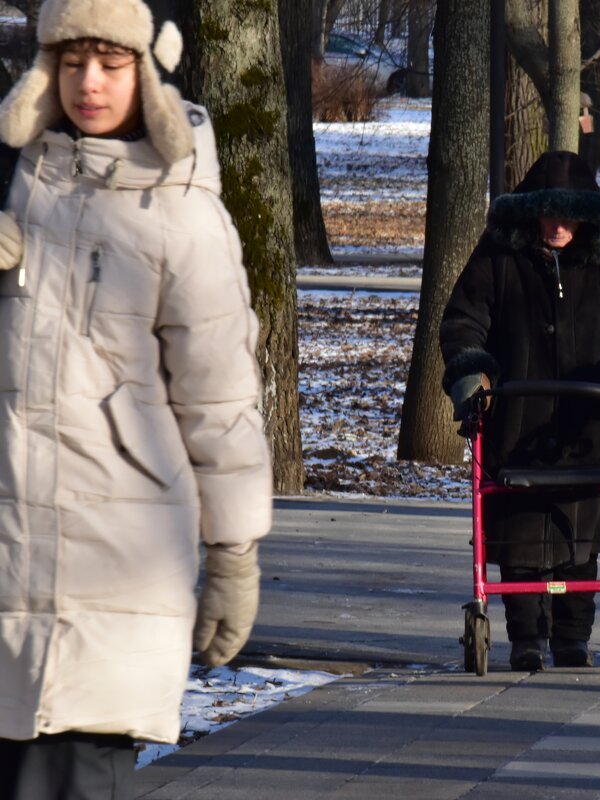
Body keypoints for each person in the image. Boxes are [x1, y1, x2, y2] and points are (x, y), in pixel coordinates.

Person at [0, 1, 273, 797]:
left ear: (146, 72)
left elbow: (219, 397)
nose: (89, 84)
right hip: (10, 547)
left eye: (111, 66)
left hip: (117, 559)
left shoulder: (182, 212)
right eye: (73, 62)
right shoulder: (13, 181)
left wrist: (234, 552)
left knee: (76, 775)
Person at [440, 150, 600, 671]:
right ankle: (525, 637)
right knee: (521, 530)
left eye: (568, 216)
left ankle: (572, 637)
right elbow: (463, 321)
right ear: (531, 212)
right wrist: (471, 374)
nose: (558, 226)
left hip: (590, 420)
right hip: (517, 421)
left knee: (579, 529)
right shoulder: (499, 256)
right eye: (548, 214)